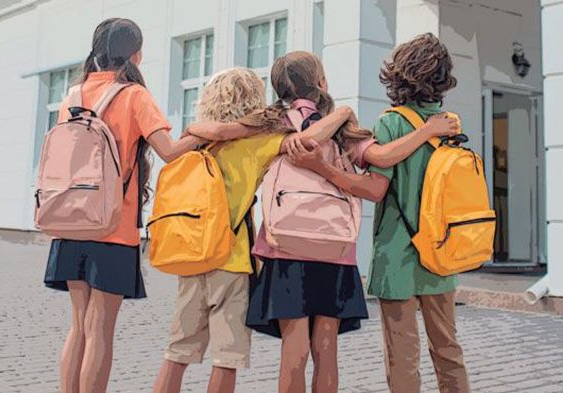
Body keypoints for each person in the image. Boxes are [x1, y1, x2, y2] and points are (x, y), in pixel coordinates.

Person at [189, 51, 459, 393]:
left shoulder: (271, 121)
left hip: (284, 247)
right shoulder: (342, 126)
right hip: (334, 248)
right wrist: (424, 132)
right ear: (322, 84)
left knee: (295, 349)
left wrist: (190, 128)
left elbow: (218, 130)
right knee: (326, 349)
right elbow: (381, 158)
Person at [152, 68, 356, 393]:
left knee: (177, 352)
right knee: (227, 356)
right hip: (230, 261)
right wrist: (343, 112)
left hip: (190, 255)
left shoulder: (195, 143)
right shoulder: (256, 143)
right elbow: (307, 140)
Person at [292, 34, 470, 393]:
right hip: (441, 250)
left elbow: (374, 189)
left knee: (403, 356)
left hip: (398, 254)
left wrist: (326, 171)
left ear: (401, 74)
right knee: (448, 351)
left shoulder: (392, 123)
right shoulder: (450, 122)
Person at [43, 18, 207, 393]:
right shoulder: (133, 95)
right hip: (112, 227)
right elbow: (168, 151)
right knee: (100, 329)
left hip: (70, 221)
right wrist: (201, 133)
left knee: (79, 325)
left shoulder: (73, 95)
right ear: (136, 54)